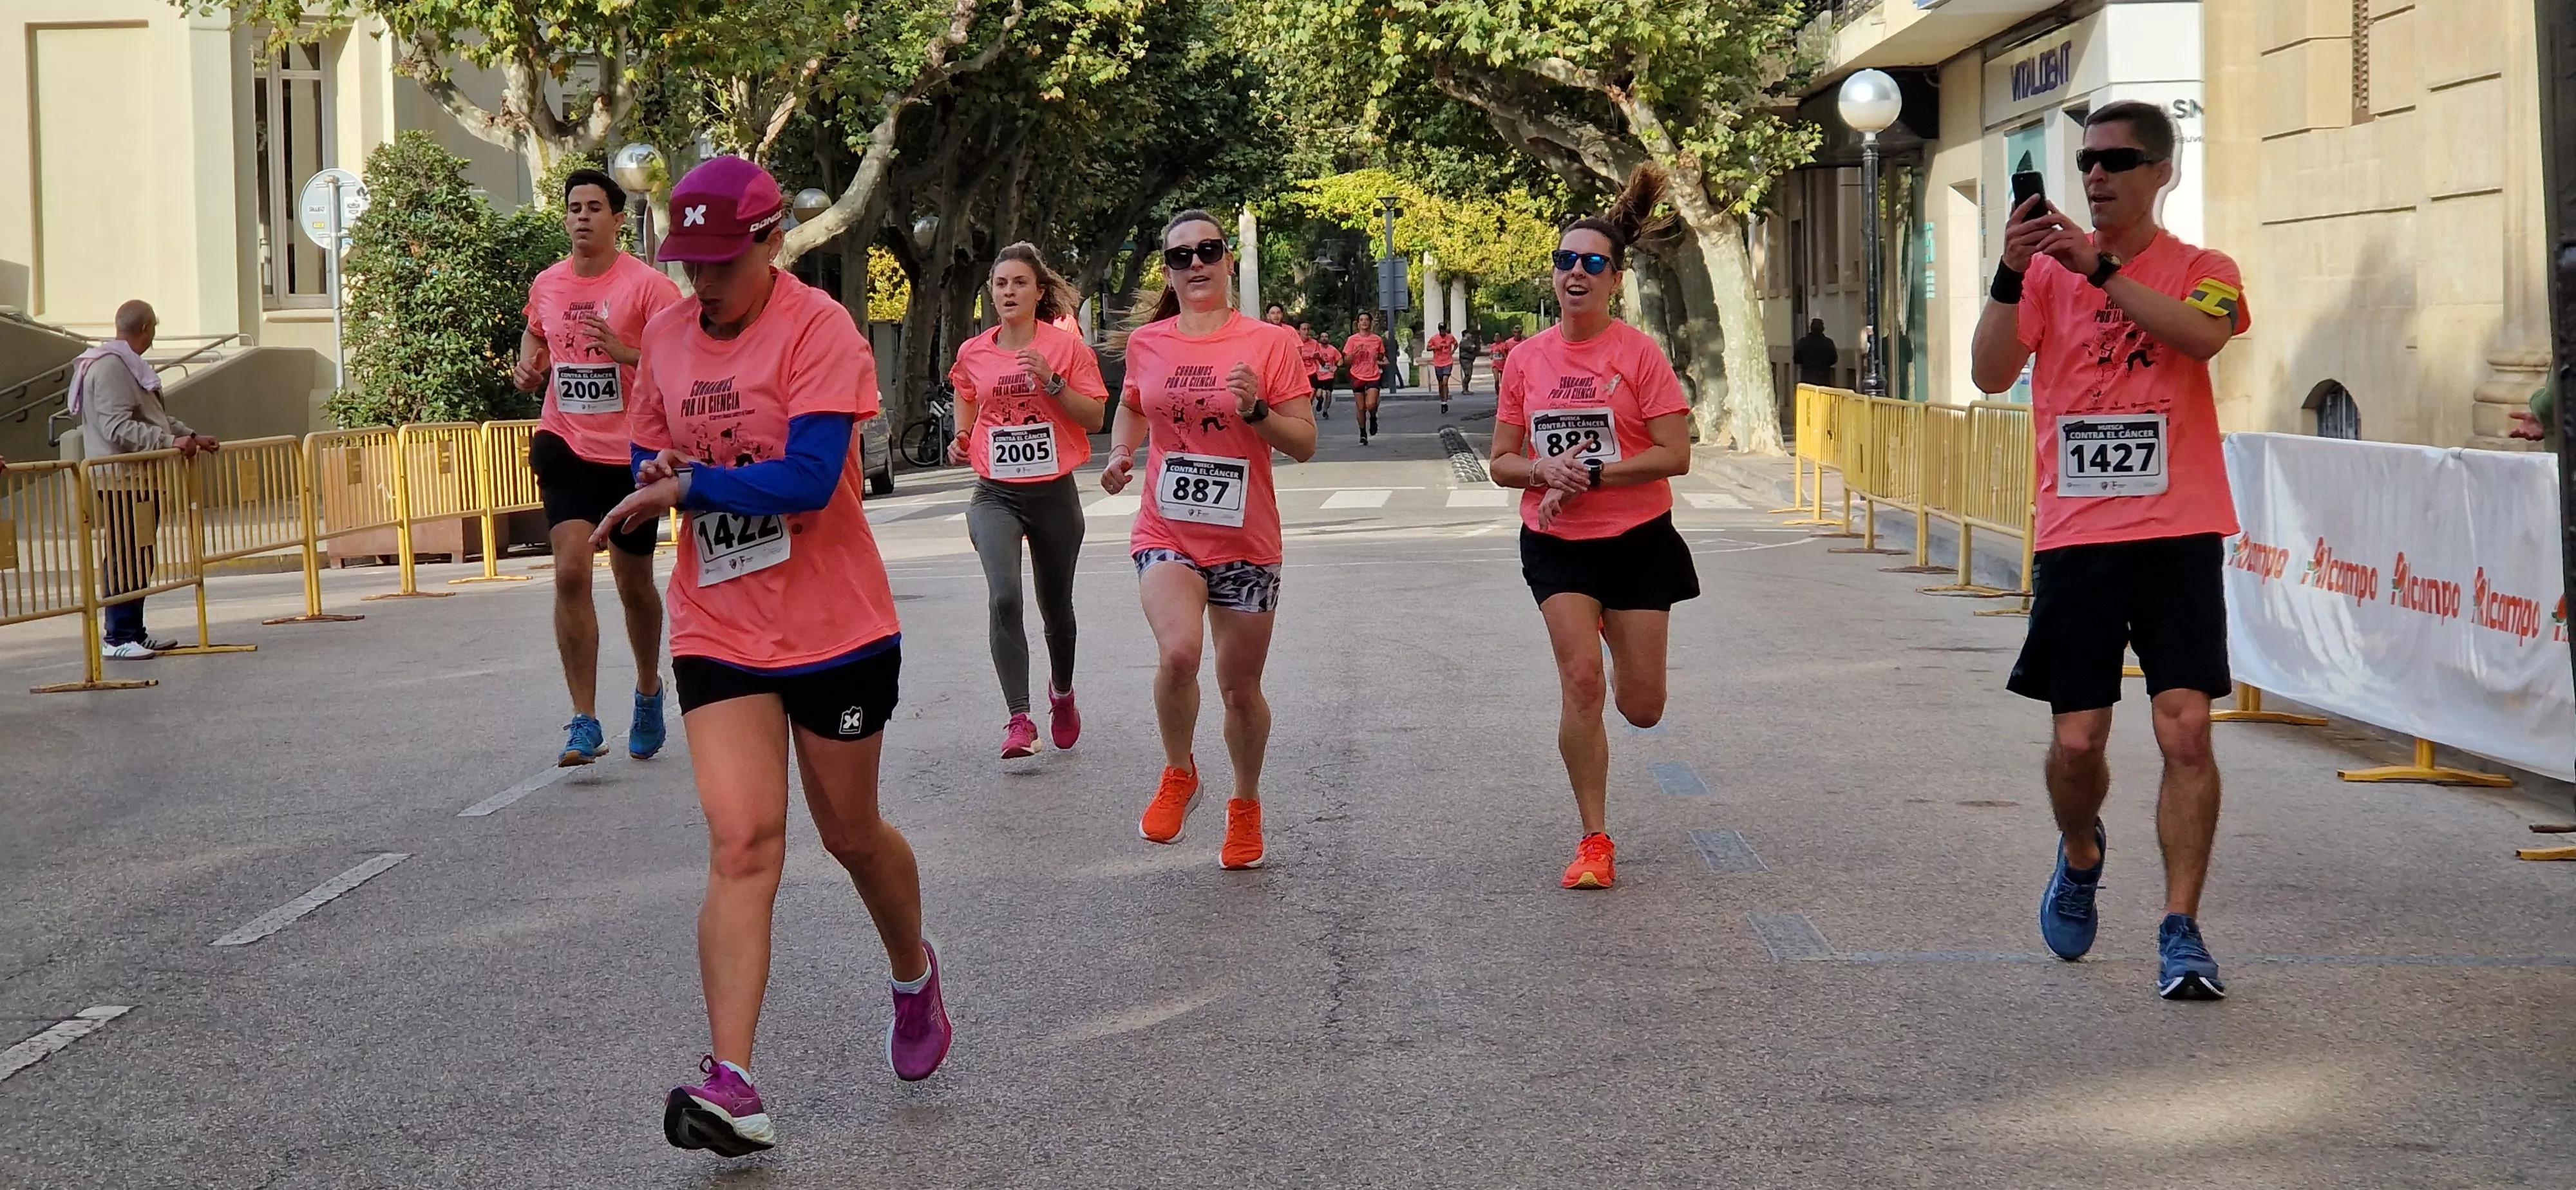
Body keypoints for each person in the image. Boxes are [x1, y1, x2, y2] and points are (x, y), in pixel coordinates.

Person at [591, 156, 951, 1157]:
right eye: (689, 264)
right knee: (744, 842)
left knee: (850, 834)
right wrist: (656, 470)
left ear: (770, 243)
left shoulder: (818, 329)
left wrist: (690, 487)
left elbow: (803, 478)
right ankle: (734, 1084)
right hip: (719, 625)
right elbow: (647, 448)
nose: (702, 283)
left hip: (835, 628)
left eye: (720, 262)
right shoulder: (664, 336)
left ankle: (914, 974)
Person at [1969, 100, 2250, 1002]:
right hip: (2080, 535)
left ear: (2161, 170)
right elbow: (1986, 372)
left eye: (2118, 160)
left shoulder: (2206, 269)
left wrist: (2105, 269)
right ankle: (2082, 851)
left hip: (2177, 531)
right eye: (2087, 160)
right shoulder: (2048, 278)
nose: (2096, 175)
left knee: (2187, 730)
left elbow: (2203, 336)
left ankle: (2181, 929)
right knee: (2078, 742)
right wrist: (2011, 276)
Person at [1488, 167, 1698, 891]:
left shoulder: (1637, 355)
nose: (1575, 273)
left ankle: (1620, 630)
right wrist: (1544, 473)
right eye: (1564, 262)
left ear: (1614, 279)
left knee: (1639, 708)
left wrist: (1596, 476)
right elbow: (1501, 463)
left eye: (1592, 263)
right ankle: (1593, 839)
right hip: (1556, 545)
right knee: (1580, 681)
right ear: (1553, 276)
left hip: (1638, 540)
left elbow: (1676, 454)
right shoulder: (1526, 359)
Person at [1101, 210, 1318, 869]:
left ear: (1228, 262)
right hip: (1167, 528)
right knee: (1177, 654)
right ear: (1167, 270)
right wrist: (1119, 452)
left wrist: (1257, 412)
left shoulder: (1270, 342)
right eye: (1179, 256)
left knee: (1239, 690)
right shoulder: (1149, 343)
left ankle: (1245, 805)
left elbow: (1304, 444)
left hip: (1247, 539)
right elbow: (1135, 402)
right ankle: (1179, 772)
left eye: (1208, 251)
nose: (1194, 264)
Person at [513, 167, 684, 766]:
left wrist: (625, 353)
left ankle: (647, 689)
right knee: (569, 573)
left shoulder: (648, 288)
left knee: (634, 586)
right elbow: (537, 340)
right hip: (564, 441)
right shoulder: (549, 284)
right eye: (573, 207)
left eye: (594, 207)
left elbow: (685, 354)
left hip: (629, 454)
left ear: (617, 220)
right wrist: (528, 369)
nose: (582, 216)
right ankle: (583, 719)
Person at [945, 243, 1109, 757]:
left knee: (1055, 607)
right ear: (991, 293)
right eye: (1001, 284)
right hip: (995, 493)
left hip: (1053, 494)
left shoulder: (1065, 349)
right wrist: (962, 435)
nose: (1009, 291)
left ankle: (1061, 693)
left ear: (1039, 293)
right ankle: (1019, 719)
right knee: (1004, 597)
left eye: (1020, 283)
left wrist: (1053, 383)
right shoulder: (975, 351)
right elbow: (966, 393)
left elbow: (1095, 419)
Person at [75, 300, 216, 660]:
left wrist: (191, 436)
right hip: (122, 478)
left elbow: (155, 418)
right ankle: (118, 636)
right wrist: (170, 442)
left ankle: (134, 631)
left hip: (139, 476)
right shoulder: (111, 368)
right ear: (147, 328)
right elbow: (117, 427)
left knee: (139, 554)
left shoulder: (126, 364)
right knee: (126, 555)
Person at [1343, 312, 1388, 445]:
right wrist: (1355, 353)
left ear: (1370, 323)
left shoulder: (1377, 339)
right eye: (1361, 320)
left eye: (1366, 320)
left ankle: (1373, 417)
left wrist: (1377, 358)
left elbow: (1381, 355)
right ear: (1358, 323)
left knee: (1371, 404)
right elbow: (1346, 361)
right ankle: (1363, 433)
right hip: (1357, 375)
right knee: (1361, 407)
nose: (1364, 322)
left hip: (1373, 374)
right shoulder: (1352, 340)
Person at [1303, 323, 1341, 420]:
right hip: (1318, 374)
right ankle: (1320, 401)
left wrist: (1336, 366)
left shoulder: (1333, 349)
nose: (1324, 339)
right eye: (1323, 337)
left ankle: (1325, 411)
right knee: (1319, 395)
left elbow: (1340, 360)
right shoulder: (1316, 346)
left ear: (1329, 338)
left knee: (1328, 393)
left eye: (1326, 337)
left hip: (1329, 375)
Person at [1793, 318, 1838, 388]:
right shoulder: (1828, 343)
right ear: (1823, 329)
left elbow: (1796, 359)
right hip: (1823, 379)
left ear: (1811, 328)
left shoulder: (1802, 342)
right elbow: (1834, 359)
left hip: (1807, 379)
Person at [1428, 323, 1459, 412]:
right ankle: (1443, 402)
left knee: (1445, 382)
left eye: (1444, 330)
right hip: (1438, 363)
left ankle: (1445, 400)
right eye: (1441, 330)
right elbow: (1428, 348)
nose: (1443, 332)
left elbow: (1456, 344)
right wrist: (1435, 347)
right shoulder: (1434, 338)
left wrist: (1453, 351)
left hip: (1448, 362)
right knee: (1441, 383)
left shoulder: (1450, 337)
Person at [1459, 330, 1482, 396]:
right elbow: (1471, 349)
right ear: (1465, 334)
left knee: (1469, 375)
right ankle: (1464, 389)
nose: (1470, 334)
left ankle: (1466, 389)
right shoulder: (1463, 342)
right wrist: (1473, 347)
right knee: (1468, 375)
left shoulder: (1469, 341)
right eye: (1469, 333)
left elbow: (1475, 347)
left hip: (1470, 360)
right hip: (1465, 360)